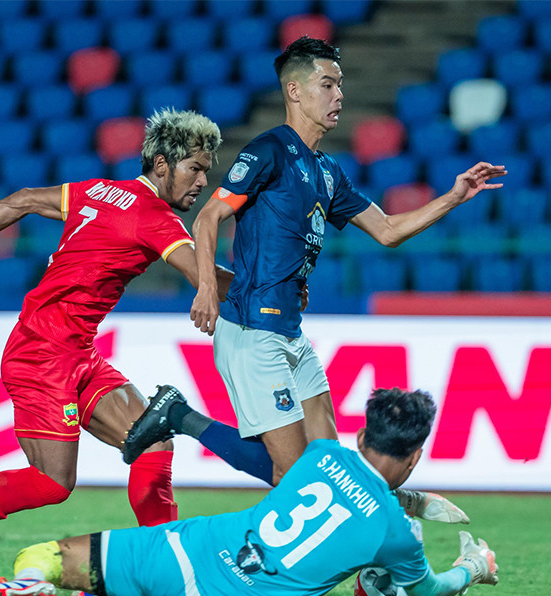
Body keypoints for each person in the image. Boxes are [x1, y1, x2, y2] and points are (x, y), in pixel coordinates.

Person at [126, 37, 505, 516]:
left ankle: (385, 510)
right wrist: (207, 287)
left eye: (341, 85)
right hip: (251, 330)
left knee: (325, 463)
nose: (339, 95)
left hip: (289, 331)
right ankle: (179, 416)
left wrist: (453, 196)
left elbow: (387, 231)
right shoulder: (268, 151)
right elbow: (207, 219)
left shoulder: (328, 171)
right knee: (292, 477)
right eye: (327, 84)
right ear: (295, 91)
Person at [0, 109, 236, 581]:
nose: (201, 180)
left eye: (206, 170)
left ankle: (169, 566)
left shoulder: (98, 190)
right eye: (195, 168)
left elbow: (23, 200)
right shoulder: (154, 217)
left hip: (76, 352)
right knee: (53, 483)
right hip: (41, 354)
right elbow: (204, 278)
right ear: (161, 165)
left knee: (152, 437)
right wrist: (268, 287)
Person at [0, 388, 499, 596]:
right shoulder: (394, 535)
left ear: (362, 433)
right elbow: (426, 592)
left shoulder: (319, 453)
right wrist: (473, 567)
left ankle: (29, 582)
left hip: (179, 550)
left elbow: (331, 461)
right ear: (417, 454)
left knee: (45, 554)